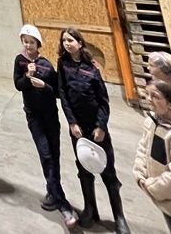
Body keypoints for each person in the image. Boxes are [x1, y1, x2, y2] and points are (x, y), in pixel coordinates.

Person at [57, 27, 131, 234]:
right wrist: (72, 123)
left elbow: (103, 101)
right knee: (84, 170)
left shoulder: (92, 67)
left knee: (108, 172)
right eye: (64, 41)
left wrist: (101, 126)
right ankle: (90, 210)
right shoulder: (62, 64)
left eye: (71, 40)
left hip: (96, 128)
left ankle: (119, 217)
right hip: (77, 129)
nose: (67, 44)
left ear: (80, 43)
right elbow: (63, 95)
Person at [13, 24, 77, 227]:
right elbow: (18, 85)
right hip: (34, 117)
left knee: (54, 154)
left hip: (50, 116)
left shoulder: (46, 65)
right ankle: (63, 204)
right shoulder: (20, 61)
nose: (28, 45)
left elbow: (56, 91)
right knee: (45, 154)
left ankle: (52, 191)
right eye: (25, 41)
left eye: (31, 42)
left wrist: (44, 86)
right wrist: (27, 76)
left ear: (38, 44)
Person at [133, 79, 171, 232]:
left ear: (170, 104)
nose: (148, 99)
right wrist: (140, 174)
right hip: (163, 199)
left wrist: (151, 187)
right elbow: (143, 148)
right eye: (147, 94)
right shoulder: (152, 121)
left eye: (155, 96)